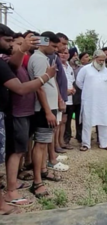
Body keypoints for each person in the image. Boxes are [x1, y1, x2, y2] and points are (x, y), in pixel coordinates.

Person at [0, 24, 56, 213]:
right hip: (16, 112)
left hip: (23, 112)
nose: (12, 46)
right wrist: (45, 77)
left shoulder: (19, 60)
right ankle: (10, 191)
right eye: (12, 42)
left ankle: (12, 185)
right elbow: (21, 88)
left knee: (19, 150)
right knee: (15, 152)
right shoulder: (7, 60)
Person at [28, 31, 68, 198]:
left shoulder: (44, 58)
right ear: (44, 42)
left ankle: (43, 172)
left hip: (49, 108)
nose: (56, 49)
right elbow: (39, 86)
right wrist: (47, 111)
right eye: (53, 46)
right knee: (41, 144)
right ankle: (37, 182)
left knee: (44, 143)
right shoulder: (38, 59)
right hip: (43, 109)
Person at [76, 50, 107, 152]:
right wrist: (88, 90)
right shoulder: (85, 69)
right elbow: (79, 81)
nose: (101, 62)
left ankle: (104, 143)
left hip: (102, 101)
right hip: (89, 100)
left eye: (103, 60)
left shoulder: (106, 70)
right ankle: (86, 144)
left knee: (104, 122)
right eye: (100, 60)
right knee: (87, 122)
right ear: (94, 58)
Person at [59, 48, 75, 150]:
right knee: (58, 122)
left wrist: (73, 89)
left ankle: (62, 141)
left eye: (66, 53)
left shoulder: (69, 67)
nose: (64, 55)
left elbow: (71, 81)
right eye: (62, 53)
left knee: (65, 121)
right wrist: (65, 92)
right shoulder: (56, 65)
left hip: (69, 99)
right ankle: (57, 144)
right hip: (60, 98)